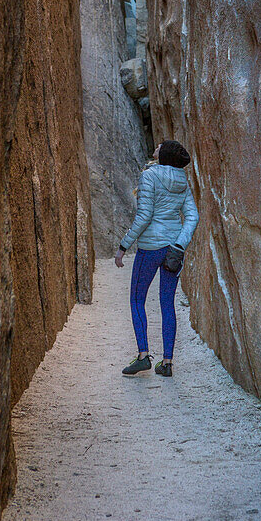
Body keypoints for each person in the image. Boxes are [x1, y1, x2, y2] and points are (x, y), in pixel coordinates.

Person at [115, 140, 199, 378]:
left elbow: (144, 216)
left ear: (164, 154)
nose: (157, 145)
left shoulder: (149, 176)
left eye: (161, 145)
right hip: (173, 249)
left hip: (150, 247)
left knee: (136, 299)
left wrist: (123, 246)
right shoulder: (182, 180)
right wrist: (180, 244)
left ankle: (143, 357)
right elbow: (192, 216)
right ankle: (167, 363)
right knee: (167, 303)